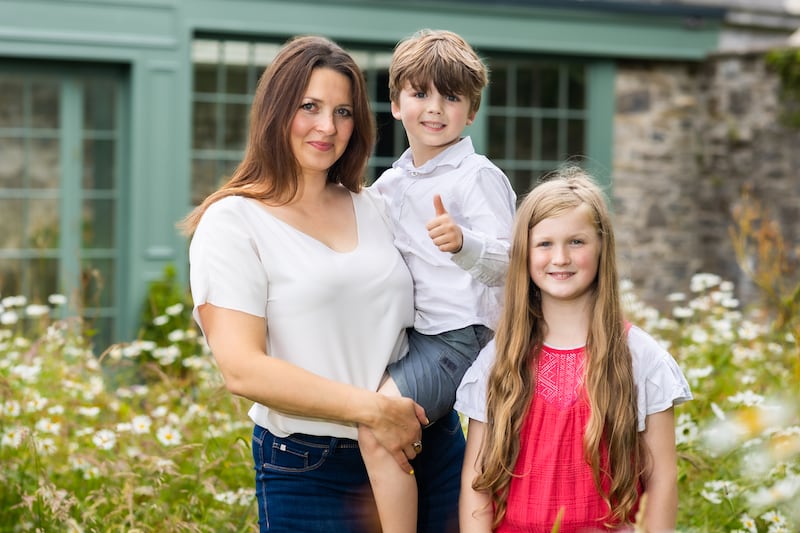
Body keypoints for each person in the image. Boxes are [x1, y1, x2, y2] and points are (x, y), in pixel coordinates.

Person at [182, 35, 464, 533]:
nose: (326, 127)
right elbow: (242, 369)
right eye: (309, 107)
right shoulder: (233, 223)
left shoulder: (377, 206)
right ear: (274, 111)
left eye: (343, 111)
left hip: (428, 444)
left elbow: (448, 301)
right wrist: (374, 411)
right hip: (313, 467)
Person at [456, 168, 693, 533]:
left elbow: (661, 481)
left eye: (577, 242)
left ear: (602, 247)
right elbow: (477, 487)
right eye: (545, 244)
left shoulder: (640, 358)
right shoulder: (499, 361)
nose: (561, 258)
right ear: (525, 253)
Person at [362, 29, 517, 533]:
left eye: (451, 97)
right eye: (420, 93)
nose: (435, 107)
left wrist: (464, 243)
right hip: (413, 338)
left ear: (470, 112)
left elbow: (514, 263)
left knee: (377, 422)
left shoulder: (476, 176)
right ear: (395, 103)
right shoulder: (390, 184)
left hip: (461, 336)